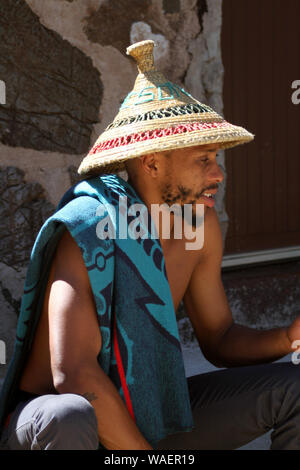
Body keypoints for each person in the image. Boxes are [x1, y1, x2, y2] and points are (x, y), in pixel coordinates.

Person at [0, 40, 299, 451]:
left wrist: (287, 338)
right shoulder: (89, 228)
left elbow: (220, 337)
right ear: (153, 162)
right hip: (61, 427)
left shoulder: (199, 225)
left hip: (148, 416)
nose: (219, 174)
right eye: (203, 159)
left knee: (294, 388)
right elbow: (74, 375)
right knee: (67, 414)